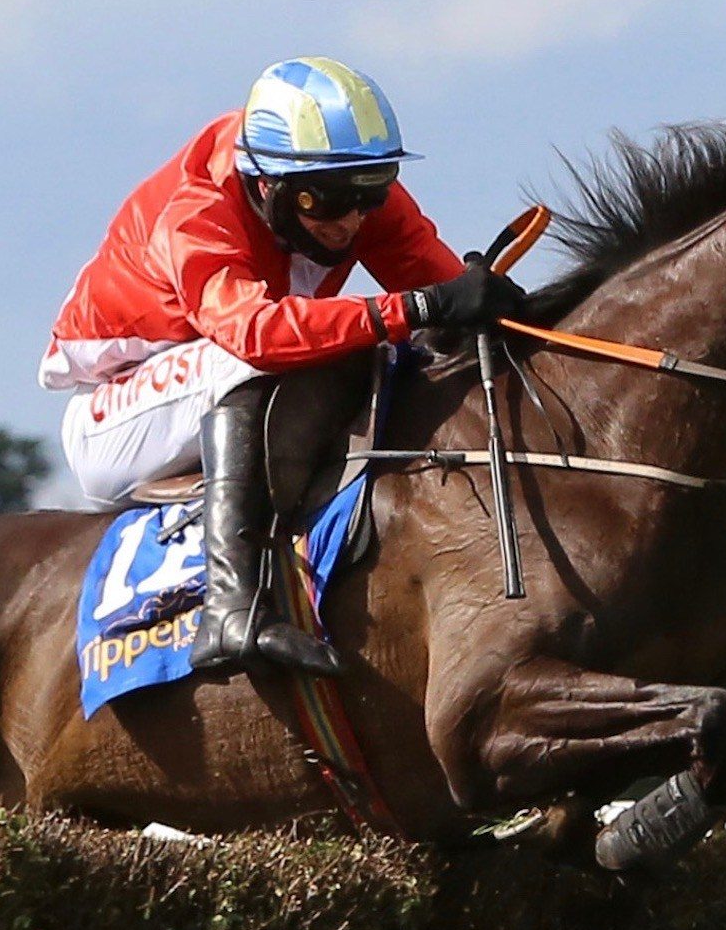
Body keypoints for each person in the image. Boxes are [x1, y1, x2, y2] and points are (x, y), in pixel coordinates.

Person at [40, 57, 525, 677]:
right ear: (267, 185)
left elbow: (444, 294)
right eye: (326, 201)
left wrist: (487, 301)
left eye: (372, 193)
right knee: (252, 360)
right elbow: (257, 335)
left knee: (390, 345)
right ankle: (230, 610)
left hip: (216, 365)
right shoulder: (197, 210)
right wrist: (422, 306)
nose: (351, 219)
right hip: (114, 410)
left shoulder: (342, 184)